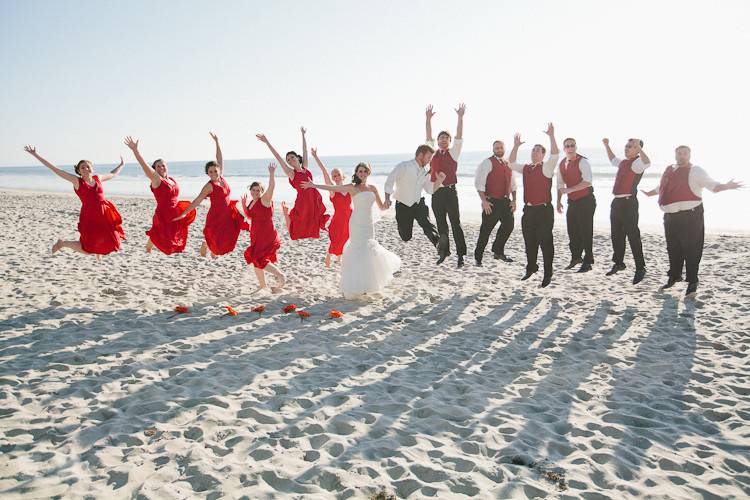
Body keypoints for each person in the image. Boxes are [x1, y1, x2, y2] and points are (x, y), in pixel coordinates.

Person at [303, 163, 436, 299]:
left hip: (368, 224)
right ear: (356, 173)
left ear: (368, 173)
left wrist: (388, 202)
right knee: (358, 250)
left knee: (368, 251)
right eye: (360, 171)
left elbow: (382, 207)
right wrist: (314, 185)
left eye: (365, 171)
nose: (362, 173)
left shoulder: (372, 188)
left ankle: (366, 285)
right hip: (356, 223)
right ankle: (356, 284)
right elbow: (332, 187)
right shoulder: (352, 187)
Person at [642, 145, 742, 296]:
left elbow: (712, 185)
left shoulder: (696, 171)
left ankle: (693, 282)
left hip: (691, 216)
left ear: (689, 155)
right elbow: (662, 186)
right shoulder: (669, 169)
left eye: (685, 153)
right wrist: (650, 193)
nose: (681, 156)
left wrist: (726, 186)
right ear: (675, 155)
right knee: (673, 248)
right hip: (670, 217)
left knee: (691, 249)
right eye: (679, 153)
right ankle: (674, 277)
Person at [24, 145, 125, 257]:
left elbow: (113, 174)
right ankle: (62, 243)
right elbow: (55, 169)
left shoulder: (98, 178)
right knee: (87, 248)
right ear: (79, 171)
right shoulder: (77, 181)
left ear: (92, 168)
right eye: (82, 167)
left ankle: (98, 252)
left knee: (114, 240)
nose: (86, 169)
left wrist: (121, 165)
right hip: (90, 215)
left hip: (104, 213)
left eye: (87, 166)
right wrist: (36, 155)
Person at [174, 132, 247, 257]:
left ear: (219, 170)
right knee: (214, 236)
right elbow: (197, 200)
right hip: (216, 215)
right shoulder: (209, 186)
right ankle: (205, 248)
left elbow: (219, 158)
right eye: (210, 171)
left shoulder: (222, 177)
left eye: (215, 170)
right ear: (207, 173)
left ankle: (210, 249)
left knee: (228, 235)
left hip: (227, 213)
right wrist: (185, 213)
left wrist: (217, 142)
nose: (213, 173)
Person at [124, 136, 196, 254]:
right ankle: (149, 247)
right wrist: (135, 150)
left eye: (163, 165)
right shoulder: (156, 179)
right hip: (164, 212)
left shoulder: (171, 179)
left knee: (163, 232)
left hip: (175, 210)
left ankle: (148, 247)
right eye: (158, 166)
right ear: (155, 170)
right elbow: (143, 165)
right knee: (161, 234)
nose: (161, 167)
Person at [508, 123, 559, 288]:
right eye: (533, 150)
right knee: (529, 242)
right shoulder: (527, 168)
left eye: (538, 150)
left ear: (543, 155)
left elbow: (556, 154)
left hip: (544, 211)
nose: (534, 152)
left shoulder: (547, 167)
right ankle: (531, 268)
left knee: (545, 243)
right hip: (528, 211)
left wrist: (551, 136)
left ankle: (548, 273)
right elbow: (511, 163)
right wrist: (515, 146)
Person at [256, 127, 329, 239]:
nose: (290, 160)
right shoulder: (292, 173)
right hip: (303, 202)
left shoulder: (305, 167)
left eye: (292, 157)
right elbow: (279, 158)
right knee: (299, 225)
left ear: (297, 158)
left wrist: (303, 135)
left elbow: (304, 150)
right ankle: (286, 214)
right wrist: (267, 142)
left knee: (314, 222)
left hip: (313, 199)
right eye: (288, 160)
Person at [602, 137, 651, 284]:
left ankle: (640, 267)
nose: (627, 148)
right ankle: (619, 263)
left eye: (631, 146)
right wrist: (607, 145)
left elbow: (647, 162)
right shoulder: (623, 163)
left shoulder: (637, 163)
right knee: (616, 235)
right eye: (626, 146)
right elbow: (612, 159)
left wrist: (640, 148)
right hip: (616, 202)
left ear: (637, 150)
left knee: (632, 236)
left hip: (629, 204)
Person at [425, 103, 467, 267]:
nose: (443, 140)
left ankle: (461, 254)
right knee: (441, 223)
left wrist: (460, 117)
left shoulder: (454, 152)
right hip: (437, 192)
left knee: (455, 223)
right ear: (438, 141)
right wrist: (428, 120)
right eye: (440, 138)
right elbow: (428, 136)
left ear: (449, 141)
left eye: (446, 138)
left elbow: (459, 136)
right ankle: (444, 252)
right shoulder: (432, 153)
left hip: (450, 192)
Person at [238, 163, 285, 293]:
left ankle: (281, 276)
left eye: (258, 190)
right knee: (255, 258)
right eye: (253, 190)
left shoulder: (265, 199)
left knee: (260, 258)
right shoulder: (252, 201)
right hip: (255, 234)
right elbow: (250, 216)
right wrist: (243, 205)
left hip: (266, 233)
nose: (255, 192)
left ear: (262, 191)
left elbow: (272, 187)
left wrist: (271, 174)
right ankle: (263, 285)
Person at [383, 144, 440, 248]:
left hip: (418, 204)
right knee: (406, 236)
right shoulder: (404, 166)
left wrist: (439, 180)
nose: (429, 160)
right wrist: (387, 198)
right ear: (420, 155)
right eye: (428, 157)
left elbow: (430, 190)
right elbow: (390, 181)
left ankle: (439, 243)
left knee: (427, 223)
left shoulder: (425, 171)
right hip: (403, 205)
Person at [474, 140, 517, 266]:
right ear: (493, 149)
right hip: (491, 202)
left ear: (504, 149)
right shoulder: (487, 162)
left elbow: (513, 184)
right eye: (496, 148)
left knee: (509, 226)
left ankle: (498, 251)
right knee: (485, 231)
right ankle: (478, 257)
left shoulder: (508, 163)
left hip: (505, 202)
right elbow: (479, 183)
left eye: (501, 147)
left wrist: (514, 200)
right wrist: (484, 201)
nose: (499, 150)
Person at [556, 137, 596, 272]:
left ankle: (588, 261)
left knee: (586, 231)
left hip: (586, 201)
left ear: (576, 147)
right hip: (572, 202)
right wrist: (558, 201)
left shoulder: (583, 161)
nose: (570, 148)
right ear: (564, 148)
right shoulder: (562, 164)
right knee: (572, 231)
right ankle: (576, 258)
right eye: (567, 146)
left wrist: (570, 190)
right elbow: (560, 184)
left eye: (572, 145)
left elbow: (587, 182)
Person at [311, 147, 352, 267]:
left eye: (338, 174)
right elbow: (324, 171)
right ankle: (329, 255)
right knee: (336, 239)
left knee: (347, 238)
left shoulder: (350, 188)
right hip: (338, 219)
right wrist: (316, 157)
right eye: (334, 175)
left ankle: (341, 257)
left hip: (350, 216)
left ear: (342, 176)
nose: (336, 176)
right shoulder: (333, 190)